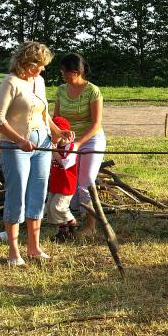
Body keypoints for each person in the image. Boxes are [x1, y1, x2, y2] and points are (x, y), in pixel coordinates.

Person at [0, 41, 74, 266]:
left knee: (38, 195)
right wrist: (19, 141)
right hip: (16, 147)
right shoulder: (11, 83)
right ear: (27, 63)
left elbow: (44, 114)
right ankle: (13, 252)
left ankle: (34, 248)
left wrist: (59, 132)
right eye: (41, 64)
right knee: (16, 197)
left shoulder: (39, 81)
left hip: (42, 145)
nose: (44, 69)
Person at [54, 53, 105, 237]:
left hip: (90, 139)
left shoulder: (92, 91)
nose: (62, 74)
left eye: (65, 71)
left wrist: (78, 143)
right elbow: (57, 120)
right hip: (67, 142)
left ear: (77, 72)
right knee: (67, 182)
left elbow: (96, 123)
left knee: (86, 182)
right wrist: (59, 139)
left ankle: (90, 226)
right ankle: (66, 223)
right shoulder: (60, 90)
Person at [46, 116, 79, 242]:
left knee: (58, 207)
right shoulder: (54, 146)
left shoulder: (71, 147)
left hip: (66, 183)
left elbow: (65, 163)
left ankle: (73, 222)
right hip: (56, 182)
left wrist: (54, 151)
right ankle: (63, 230)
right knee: (50, 206)